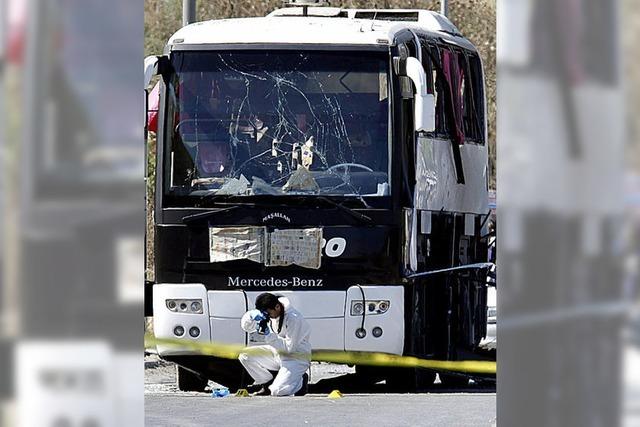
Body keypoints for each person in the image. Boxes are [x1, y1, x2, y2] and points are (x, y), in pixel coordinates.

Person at [239, 293, 311, 396]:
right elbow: (247, 328)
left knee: (277, 391)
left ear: (277, 307)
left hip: (296, 357)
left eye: (268, 313)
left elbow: (289, 348)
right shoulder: (270, 311)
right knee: (245, 355)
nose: (268, 316)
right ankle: (267, 383)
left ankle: (300, 381)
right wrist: (250, 316)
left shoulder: (294, 318)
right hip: (277, 352)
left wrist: (269, 335)